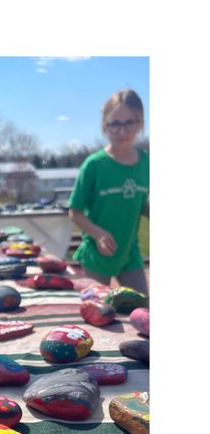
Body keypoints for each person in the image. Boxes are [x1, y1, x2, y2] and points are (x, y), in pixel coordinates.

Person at [68, 89, 149, 295]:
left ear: (140, 123)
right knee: (97, 314)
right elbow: (74, 211)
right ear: (105, 126)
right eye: (115, 123)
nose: (122, 131)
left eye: (129, 122)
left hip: (129, 254)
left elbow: (140, 203)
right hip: (97, 256)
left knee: (142, 312)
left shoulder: (147, 162)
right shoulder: (94, 165)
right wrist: (98, 234)